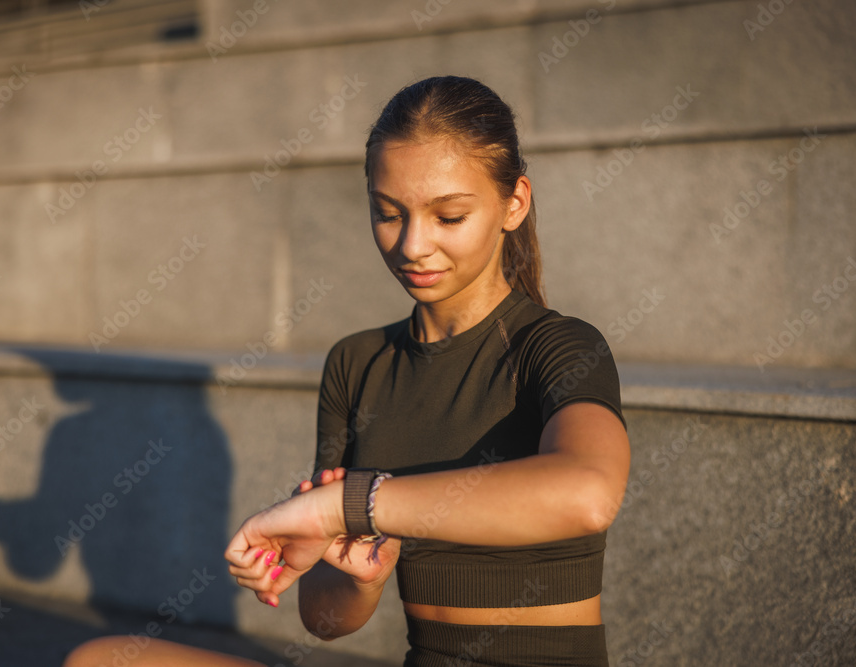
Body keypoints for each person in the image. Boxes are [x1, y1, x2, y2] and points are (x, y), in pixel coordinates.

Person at [65, 75, 629, 667]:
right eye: (389, 214)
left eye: (449, 216)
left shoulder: (557, 345)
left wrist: (348, 504)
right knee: (104, 660)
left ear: (514, 203)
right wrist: (357, 578)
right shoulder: (357, 364)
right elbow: (324, 619)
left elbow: (589, 492)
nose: (413, 244)